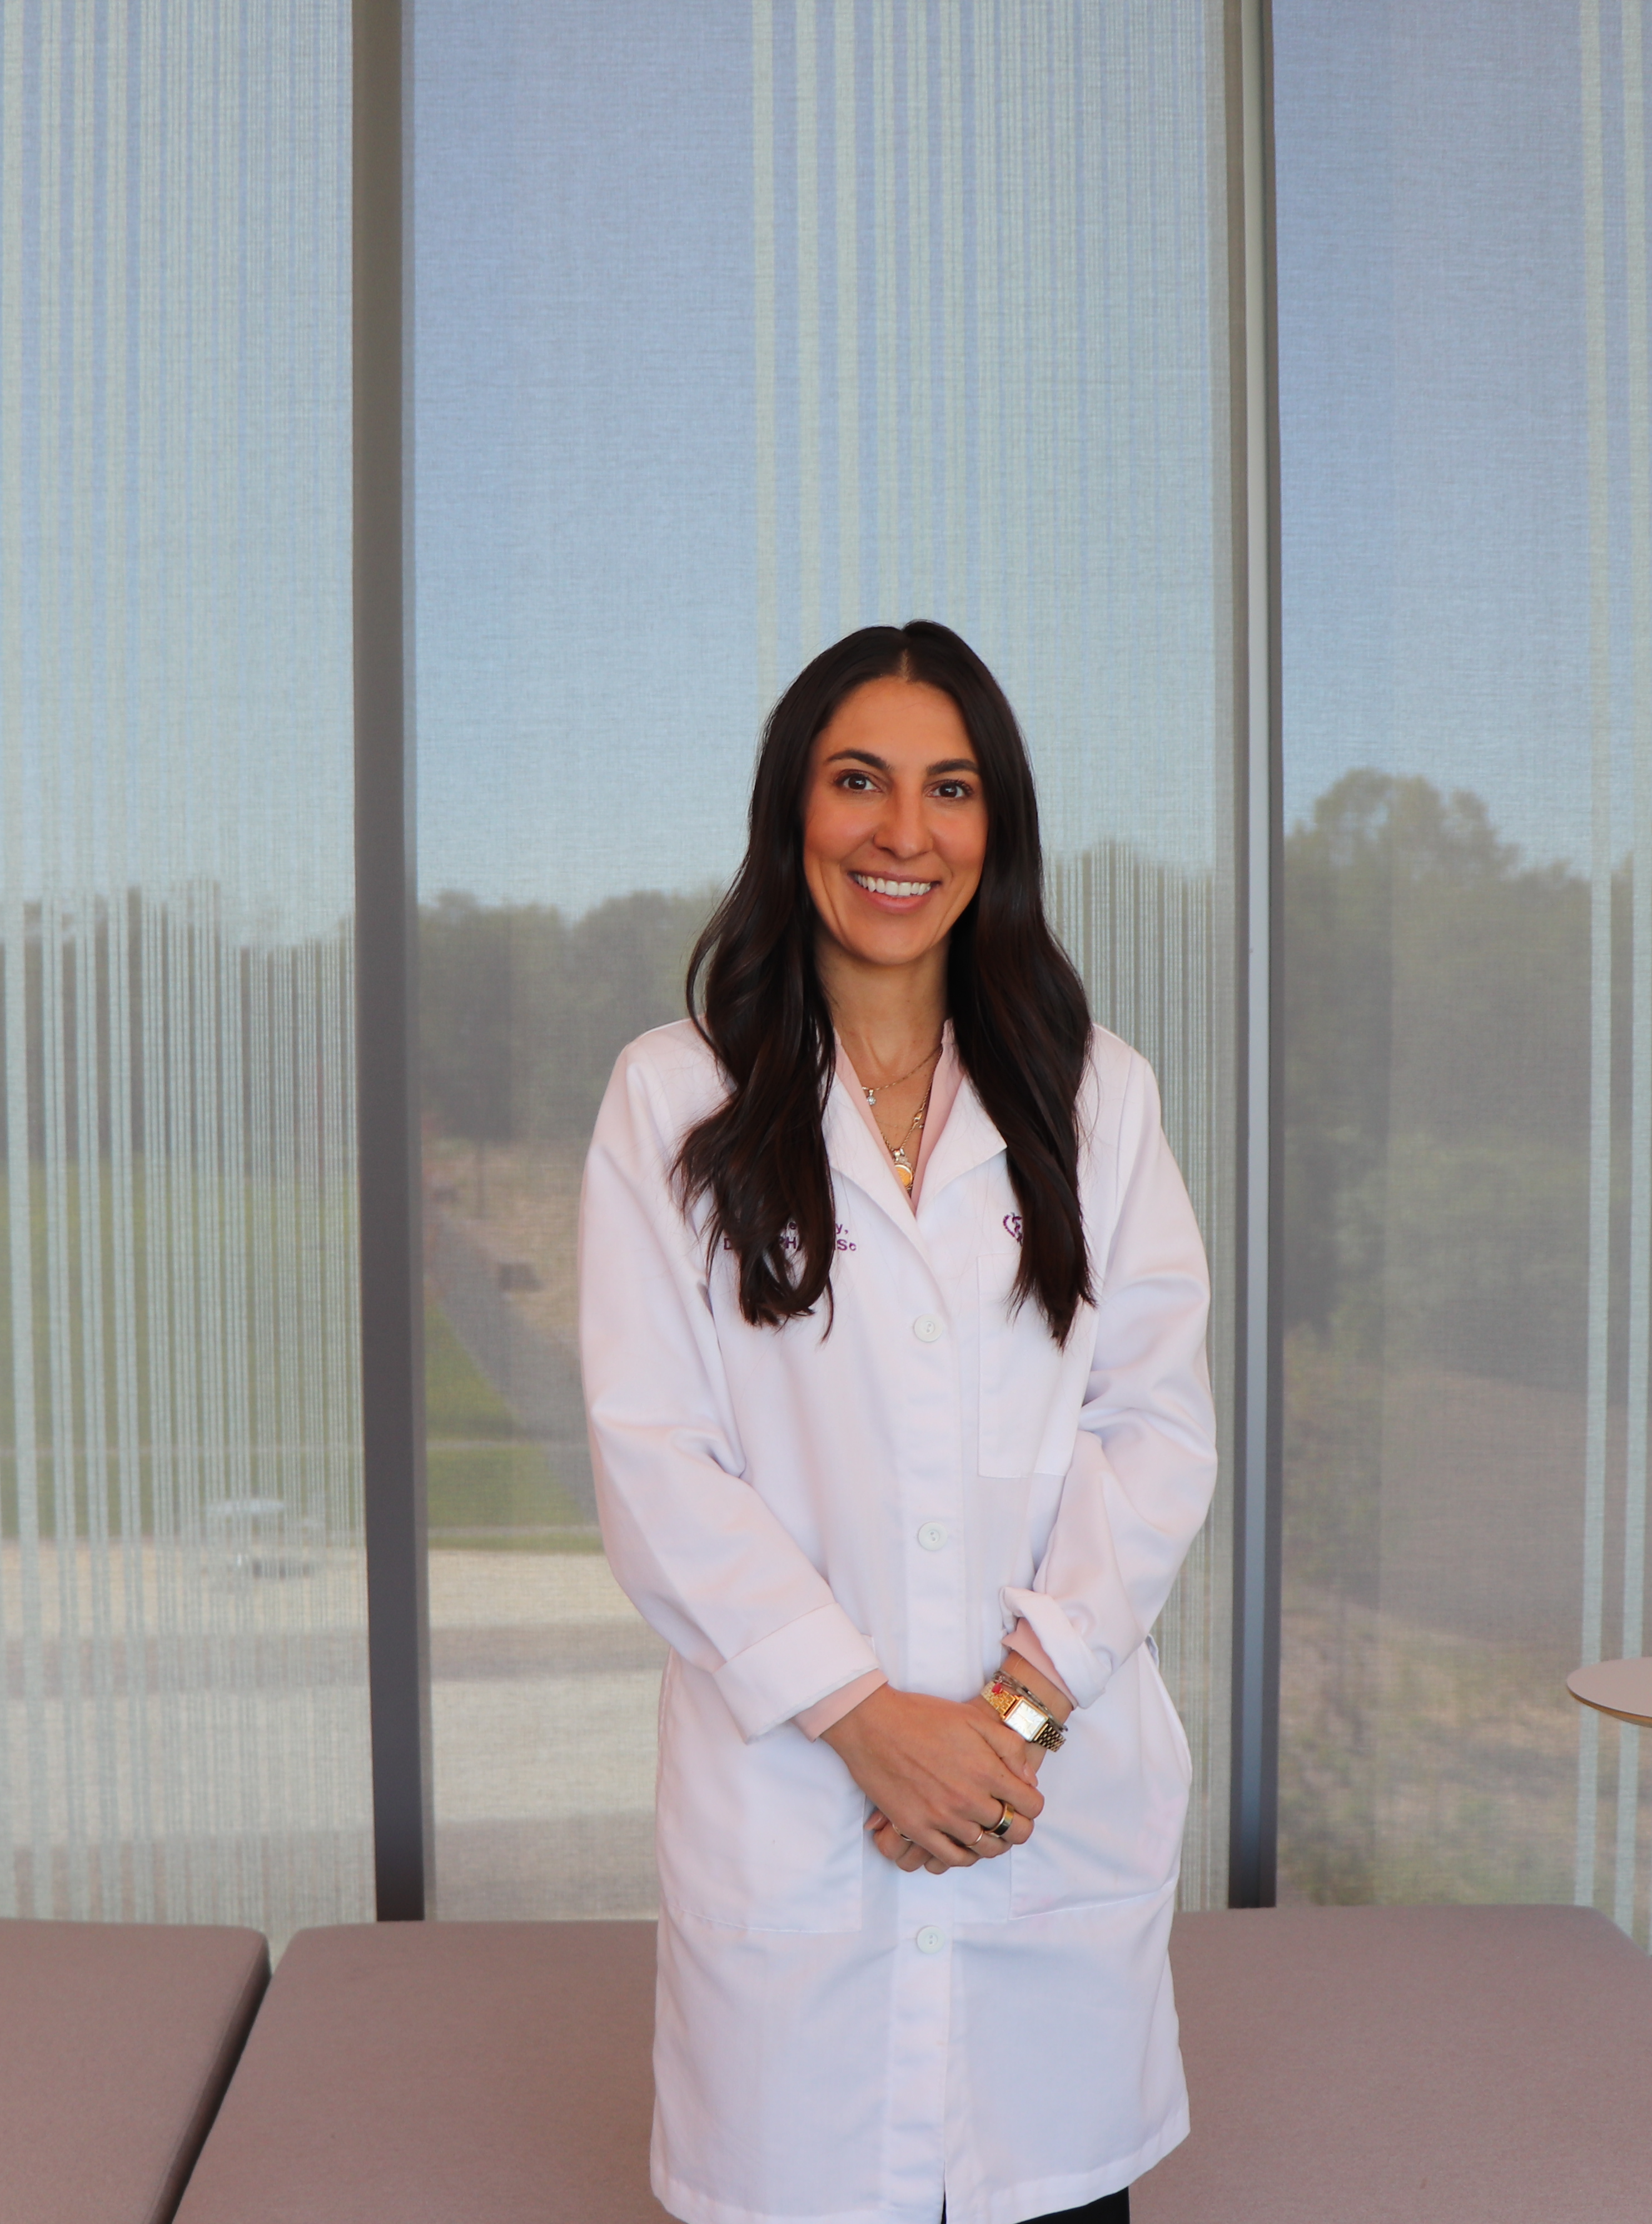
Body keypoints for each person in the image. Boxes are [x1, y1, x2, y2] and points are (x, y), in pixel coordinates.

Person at [578, 620, 1220, 2224]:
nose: (901, 834)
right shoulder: (677, 1099)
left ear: (995, 830)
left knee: (1049, 2192)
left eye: (949, 791)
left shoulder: (1096, 1097)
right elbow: (656, 1459)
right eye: (857, 782)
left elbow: (1155, 1431)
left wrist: (1006, 1727)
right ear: (791, 813)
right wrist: (870, 1719)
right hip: (804, 1807)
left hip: (1040, 1819)